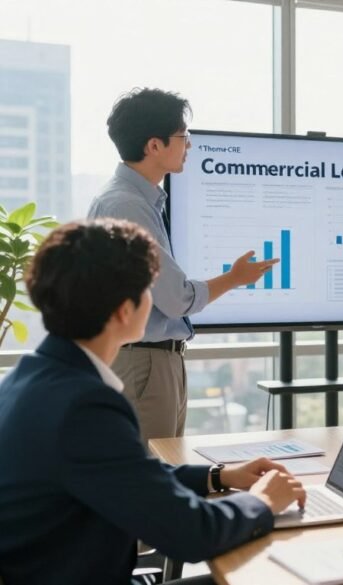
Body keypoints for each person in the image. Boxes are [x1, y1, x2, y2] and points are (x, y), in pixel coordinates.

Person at [0, 219, 306, 585]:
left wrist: (218, 477)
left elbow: (127, 475)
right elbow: (191, 534)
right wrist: (263, 502)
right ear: (123, 311)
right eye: (149, 290)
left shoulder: (28, 379)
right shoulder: (84, 405)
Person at [88, 88, 277, 443]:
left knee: (164, 471)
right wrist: (235, 278)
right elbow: (175, 299)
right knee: (150, 481)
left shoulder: (136, 201)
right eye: (183, 136)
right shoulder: (127, 205)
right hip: (144, 366)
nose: (189, 145)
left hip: (154, 364)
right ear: (154, 146)